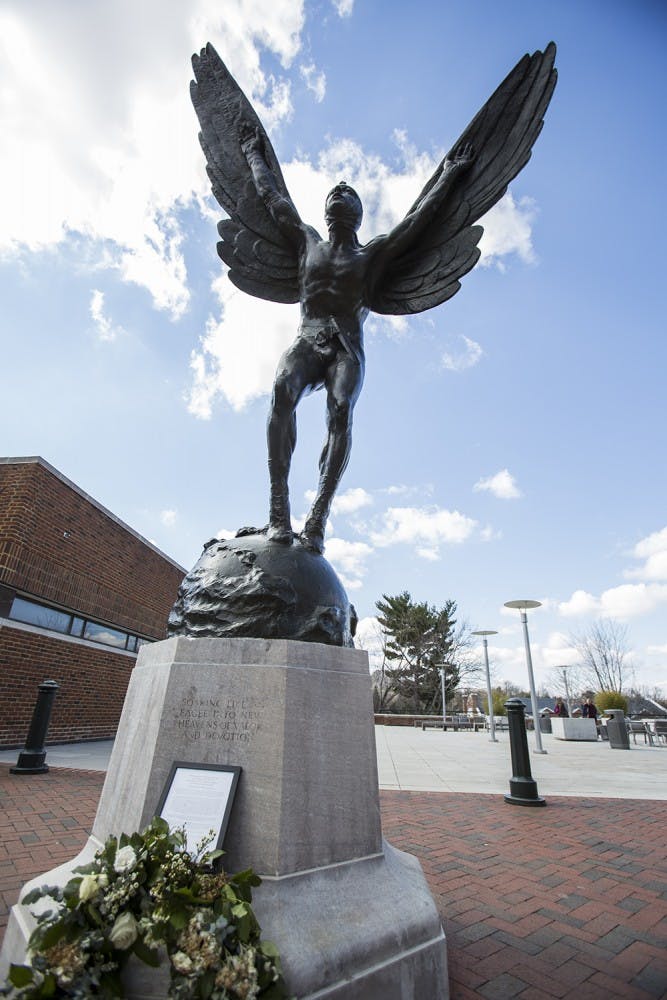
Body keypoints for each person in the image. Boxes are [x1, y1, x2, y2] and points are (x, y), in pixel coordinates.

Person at [241, 129, 474, 553]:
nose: (340, 192)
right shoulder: (306, 240)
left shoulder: (372, 256)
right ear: (327, 211)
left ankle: (319, 516)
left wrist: (450, 176)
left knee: (341, 409)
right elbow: (273, 200)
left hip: (345, 349)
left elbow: (418, 221)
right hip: (309, 339)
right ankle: (279, 508)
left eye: (348, 192)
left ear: (358, 214)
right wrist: (254, 153)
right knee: (281, 390)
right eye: (334, 191)